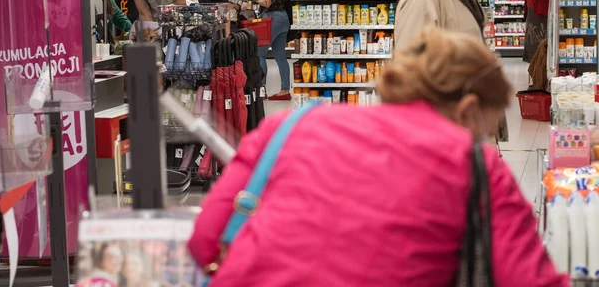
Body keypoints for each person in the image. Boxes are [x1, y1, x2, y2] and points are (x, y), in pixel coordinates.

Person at [187, 27, 569, 287]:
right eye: (486, 126)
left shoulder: (287, 127)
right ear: (468, 109)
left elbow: (205, 240)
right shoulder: (474, 167)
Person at [248, 0, 290, 100]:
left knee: (260, 54)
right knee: (280, 57)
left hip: (271, 19)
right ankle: (285, 90)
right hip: (283, 18)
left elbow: (266, 2)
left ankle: (262, 90)